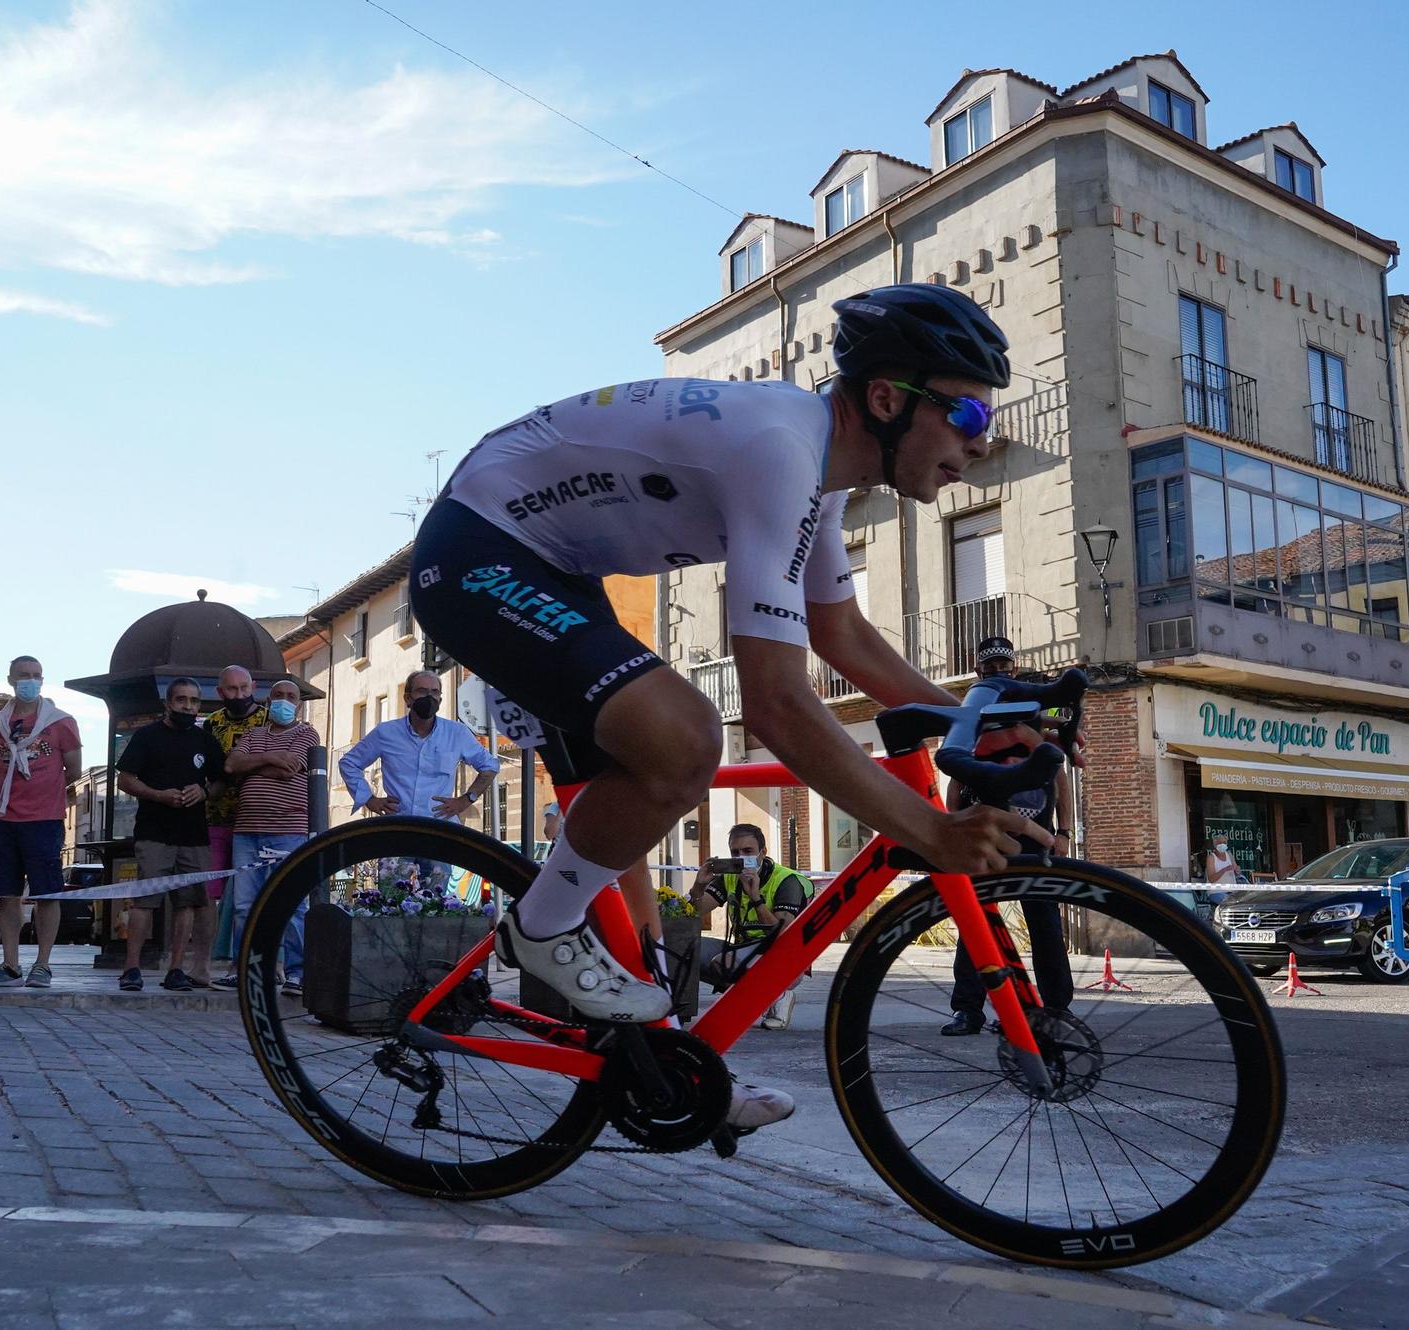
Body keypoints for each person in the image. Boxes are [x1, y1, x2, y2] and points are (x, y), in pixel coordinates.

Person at [411, 282, 1042, 1131]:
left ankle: (664, 1069)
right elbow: (777, 705)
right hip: (479, 548)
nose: (981, 440)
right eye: (967, 417)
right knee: (684, 742)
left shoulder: (817, 478)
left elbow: (842, 635)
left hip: (557, 569)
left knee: (630, 825)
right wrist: (927, 833)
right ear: (889, 400)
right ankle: (540, 930)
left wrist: (978, 721)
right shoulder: (780, 451)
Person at [939, 719, 1074, 1035]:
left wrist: (1064, 832)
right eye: (992, 666)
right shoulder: (975, 731)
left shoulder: (1033, 730)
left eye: (1005, 665)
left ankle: (1055, 1009)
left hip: (1037, 837)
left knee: (1045, 922)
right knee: (976, 921)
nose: (1001, 669)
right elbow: (956, 783)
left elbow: (1061, 780)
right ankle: (967, 1010)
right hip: (986, 836)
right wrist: (952, 825)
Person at [0, 656, 82, 989]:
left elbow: (73, 771)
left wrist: (45, 793)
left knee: (47, 893)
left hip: (44, 820)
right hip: (4, 819)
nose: (30, 681)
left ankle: (43, 965)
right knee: (6, 894)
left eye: (36, 676)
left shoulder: (62, 723)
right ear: (11, 680)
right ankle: (10, 965)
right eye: (24, 676)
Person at [339, 668, 501, 892]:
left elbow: (490, 766)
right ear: (407, 698)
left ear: (441, 699)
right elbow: (349, 763)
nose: (429, 697)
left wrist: (466, 799)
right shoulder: (386, 733)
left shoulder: (457, 733)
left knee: (435, 902)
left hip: (438, 830)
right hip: (397, 829)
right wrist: (369, 799)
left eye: (435, 692)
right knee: (391, 900)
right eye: (422, 691)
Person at [115, 678, 226, 992]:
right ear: (167, 703)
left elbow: (220, 783)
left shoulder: (205, 740)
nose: (187, 706)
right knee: (144, 902)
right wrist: (158, 794)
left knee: (188, 904)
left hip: (194, 837)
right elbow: (125, 779)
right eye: (181, 700)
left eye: (193, 701)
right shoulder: (147, 737)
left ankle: (176, 969)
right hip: (153, 833)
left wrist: (203, 791)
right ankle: (131, 969)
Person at [215, 679, 322, 998]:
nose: (285, 701)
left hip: (288, 830)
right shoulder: (253, 734)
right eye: (279, 696)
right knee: (244, 905)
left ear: (299, 704)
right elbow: (232, 764)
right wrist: (273, 758)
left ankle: (296, 972)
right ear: (268, 700)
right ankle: (245, 969)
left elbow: (290, 770)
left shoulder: (306, 733)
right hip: (247, 830)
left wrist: (255, 764)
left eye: (291, 696)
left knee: (289, 903)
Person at [689, 824, 813, 1030]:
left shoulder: (786, 880)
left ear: (763, 852)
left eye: (748, 851)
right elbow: (695, 911)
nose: (741, 856)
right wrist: (698, 887)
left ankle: (776, 993)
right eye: (735, 852)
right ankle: (771, 997)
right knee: (688, 950)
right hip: (744, 949)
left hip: (785, 956)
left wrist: (755, 897)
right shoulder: (730, 876)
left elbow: (783, 933)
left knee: (724, 962)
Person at [205, 665, 274, 982]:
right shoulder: (212, 723)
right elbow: (215, 771)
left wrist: (244, 764)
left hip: (260, 820)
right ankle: (208, 964)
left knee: (258, 896)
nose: (239, 695)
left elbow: (282, 765)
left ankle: (267, 965)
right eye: (231, 689)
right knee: (211, 894)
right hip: (217, 818)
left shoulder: (269, 720)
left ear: (254, 686)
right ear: (220, 692)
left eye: (244, 688)